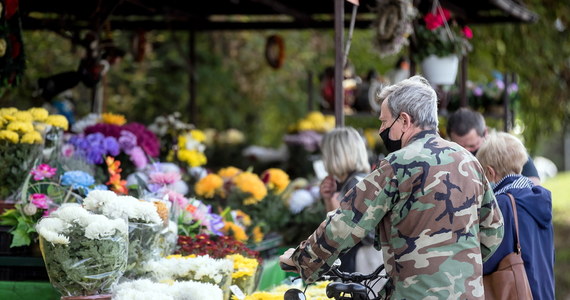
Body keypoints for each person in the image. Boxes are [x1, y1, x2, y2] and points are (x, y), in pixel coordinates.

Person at [280, 75, 504, 299]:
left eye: (385, 122)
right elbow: (493, 230)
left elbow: (347, 221)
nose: (381, 129)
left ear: (405, 121)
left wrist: (302, 260)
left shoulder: (398, 164)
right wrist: (456, 264)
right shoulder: (469, 161)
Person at [477, 132, 554, 300]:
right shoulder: (539, 198)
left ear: (490, 172)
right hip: (543, 289)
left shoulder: (502, 204)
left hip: (519, 292)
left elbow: (491, 258)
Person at [319, 126, 383, 275]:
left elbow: (347, 233)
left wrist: (335, 207)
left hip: (363, 261)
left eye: (325, 153)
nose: (323, 159)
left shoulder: (355, 184)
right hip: (363, 259)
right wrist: (329, 198)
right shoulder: (355, 181)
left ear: (336, 154)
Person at [446, 107, 541, 185]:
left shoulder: (503, 149)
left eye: (472, 146)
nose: (466, 152)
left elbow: (534, 184)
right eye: (459, 147)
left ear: (485, 133)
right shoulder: (446, 157)